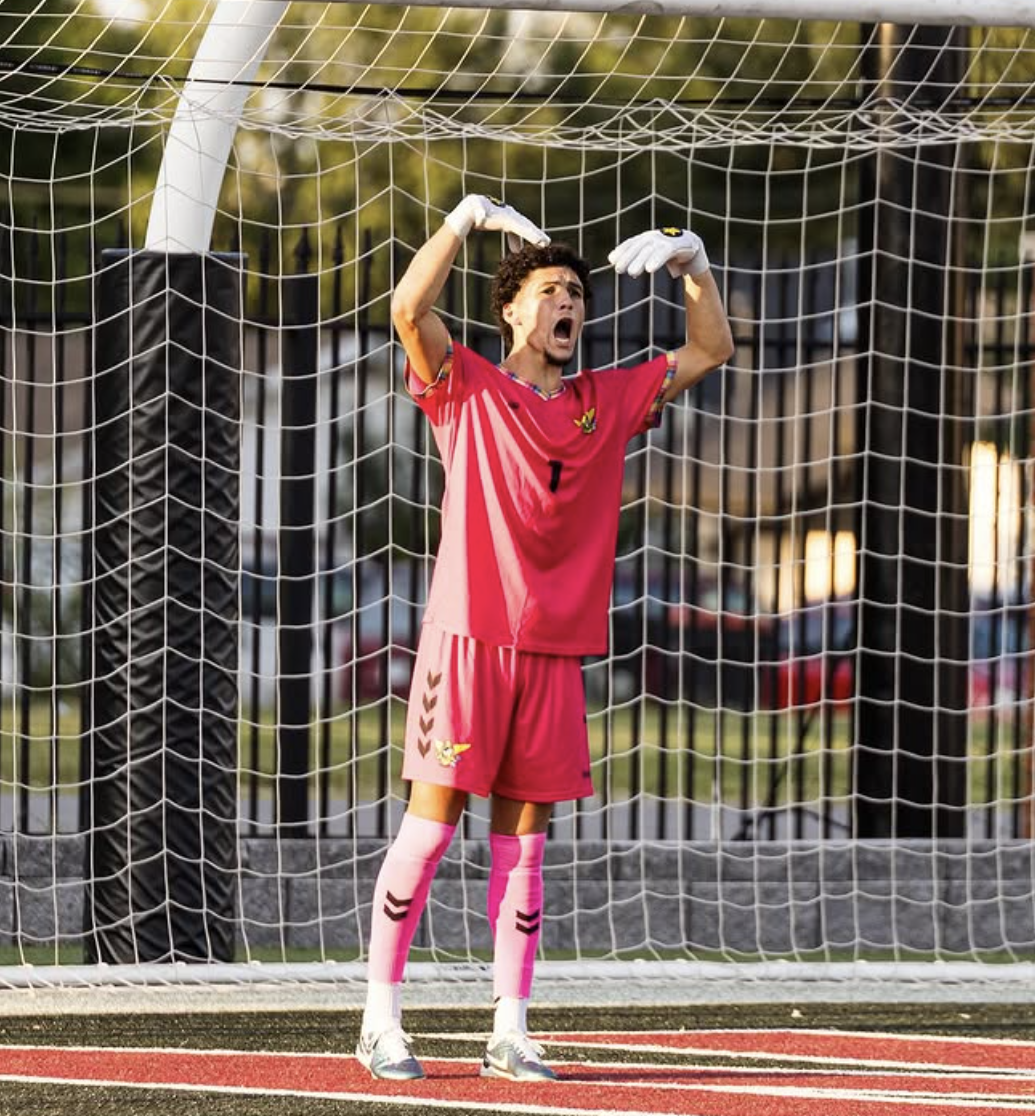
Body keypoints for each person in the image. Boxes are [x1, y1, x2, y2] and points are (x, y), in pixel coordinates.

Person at [356, 194, 734, 1082]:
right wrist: (462, 221)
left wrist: (695, 264)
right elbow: (408, 310)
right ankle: (380, 1018)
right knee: (431, 831)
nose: (570, 303)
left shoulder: (609, 399)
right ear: (512, 309)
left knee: (525, 844)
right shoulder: (466, 386)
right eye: (553, 290)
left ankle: (510, 1026)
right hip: (466, 642)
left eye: (578, 293)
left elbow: (711, 347)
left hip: (555, 653)